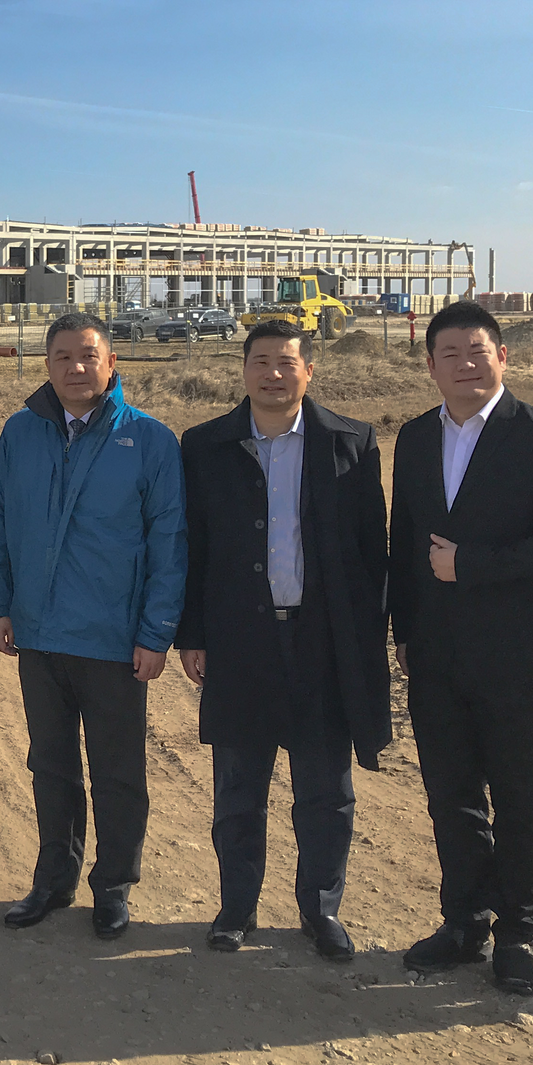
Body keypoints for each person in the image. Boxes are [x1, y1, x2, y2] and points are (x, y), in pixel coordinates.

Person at [389, 300, 533, 996]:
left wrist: (473, 563)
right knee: (451, 795)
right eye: (451, 353)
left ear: (503, 357)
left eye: (479, 351)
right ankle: (464, 922)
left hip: (516, 651)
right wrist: (405, 630)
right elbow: (403, 545)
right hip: (437, 656)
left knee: (521, 796)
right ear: (431, 364)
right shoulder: (415, 438)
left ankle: (518, 934)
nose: (466, 364)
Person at [177, 319, 388, 960]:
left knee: (326, 791)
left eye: (287, 362)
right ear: (243, 370)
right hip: (241, 639)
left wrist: (368, 641)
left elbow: (370, 552)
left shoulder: (351, 442)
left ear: (309, 371)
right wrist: (193, 634)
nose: (274, 374)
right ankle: (236, 908)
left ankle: (320, 911)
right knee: (239, 788)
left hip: (322, 640)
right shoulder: (206, 446)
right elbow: (193, 548)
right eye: (261, 361)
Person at [0, 312, 185, 939]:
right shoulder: (21, 433)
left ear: (111, 362)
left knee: (118, 769)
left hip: (113, 639)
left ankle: (114, 884)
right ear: (47, 365)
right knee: (51, 764)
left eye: (88, 356)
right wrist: (0, 604)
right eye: (63, 356)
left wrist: (155, 633)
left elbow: (169, 541)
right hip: (40, 635)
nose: (76, 368)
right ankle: (53, 878)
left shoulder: (150, 440)